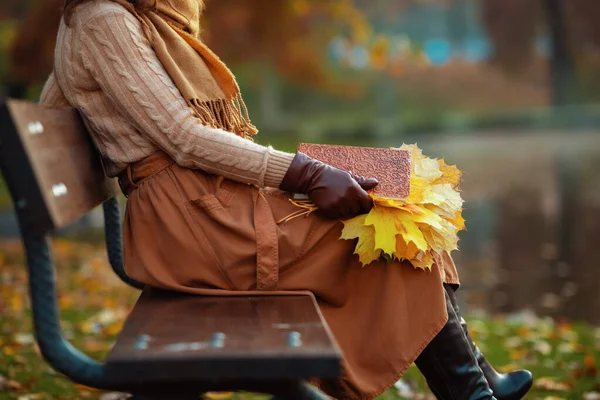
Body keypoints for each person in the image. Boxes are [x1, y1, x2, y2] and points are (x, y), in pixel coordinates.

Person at [39, 0, 532, 398]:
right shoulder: (105, 18)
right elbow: (183, 137)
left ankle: (474, 378)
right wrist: (307, 172)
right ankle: (471, 388)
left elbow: (56, 109)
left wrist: (311, 172)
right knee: (392, 226)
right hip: (199, 224)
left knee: (399, 184)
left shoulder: (120, 19)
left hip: (208, 203)